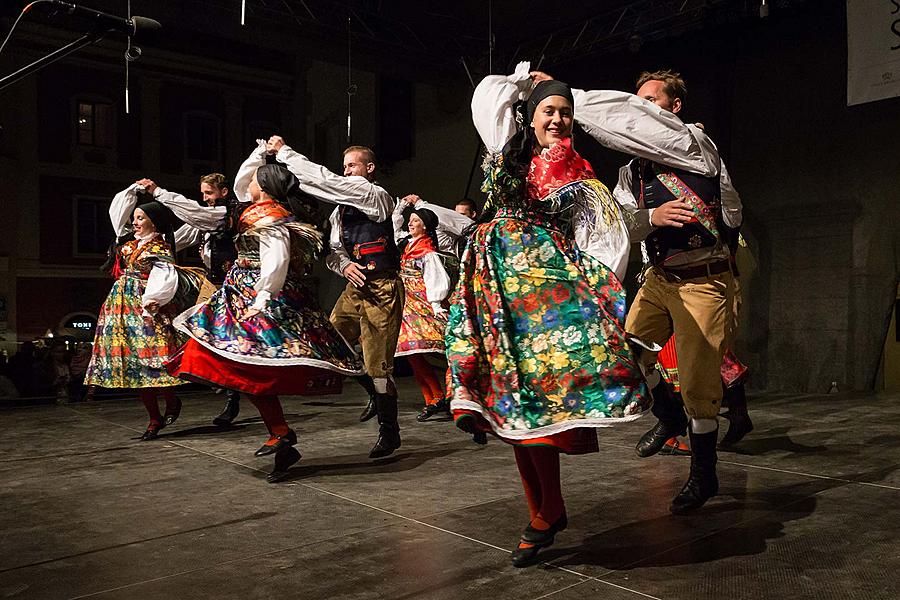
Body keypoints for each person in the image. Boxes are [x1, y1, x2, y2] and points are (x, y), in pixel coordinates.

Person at [447, 63, 649, 567]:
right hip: (496, 287)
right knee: (510, 400)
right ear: (529, 117)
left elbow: (603, 238)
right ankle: (544, 509)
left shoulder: (575, 170)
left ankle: (547, 511)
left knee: (540, 399)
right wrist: (523, 82)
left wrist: (598, 289)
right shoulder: (507, 151)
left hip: (546, 294)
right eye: (548, 111)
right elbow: (487, 96)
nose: (557, 120)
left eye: (565, 113)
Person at [575, 68, 742, 514]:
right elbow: (621, 225)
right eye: (639, 99)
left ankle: (703, 475)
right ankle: (667, 417)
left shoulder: (694, 142)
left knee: (699, 386)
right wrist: (653, 217)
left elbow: (733, 213)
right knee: (627, 352)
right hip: (660, 280)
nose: (643, 107)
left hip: (705, 281)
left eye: (653, 100)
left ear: (674, 106)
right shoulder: (632, 172)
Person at [169, 141, 364, 482]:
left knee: (251, 368)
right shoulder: (254, 210)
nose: (246, 184)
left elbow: (277, 262)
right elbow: (244, 179)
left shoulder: (270, 218)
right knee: (243, 368)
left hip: (260, 296)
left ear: (266, 186)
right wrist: (260, 153)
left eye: (255, 180)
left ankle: (287, 429)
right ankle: (281, 434)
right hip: (240, 293)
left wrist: (261, 300)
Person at [269, 137, 405, 459]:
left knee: (378, 366)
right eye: (343, 166)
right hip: (354, 289)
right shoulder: (339, 214)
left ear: (369, 169)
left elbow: (326, 182)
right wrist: (344, 266)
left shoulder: (375, 195)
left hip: (382, 289)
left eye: (351, 165)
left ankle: (390, 431)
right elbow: (332, 252)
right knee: (332, 343)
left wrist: (285, 154)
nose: (345, 172)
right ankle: (372, 391)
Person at [84, 185, 203, 440]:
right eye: (135, 218)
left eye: (140, 218)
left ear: (154, 222)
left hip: (147, 303)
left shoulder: (159, 247)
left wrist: (153, 299)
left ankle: (171, 400)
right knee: (135, 362)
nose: (135, 222)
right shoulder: (128, 242)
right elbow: (117, 211)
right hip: (121, 304)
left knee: (156, 357)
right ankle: (153, 417)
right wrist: (132, 190)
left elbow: (165, 275)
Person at [154, 173, 246, 427]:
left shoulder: (226, 214)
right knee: (197, 330)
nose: (205, 199)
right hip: (211, 280)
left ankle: (232, 395)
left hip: (233, 282)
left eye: (209, 193)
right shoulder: (203, 219)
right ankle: (217, 380)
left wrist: (158, 192)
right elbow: (178, 239)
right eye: (203, 194)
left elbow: (190, 211)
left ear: (224, 193)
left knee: (231, 339)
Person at [391, 205, 452, 421]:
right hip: (407, 303)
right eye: (410, 220)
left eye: (415, 220)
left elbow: (435, 278)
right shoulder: (409, 244)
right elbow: (396, 232)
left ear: (425, 226)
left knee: (436, 351)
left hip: (421, 303)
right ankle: (433, 398)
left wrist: (436, 304)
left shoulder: (427, 251)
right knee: (411, 353)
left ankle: (445, 396)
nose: (410, 223)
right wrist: (399, 212)